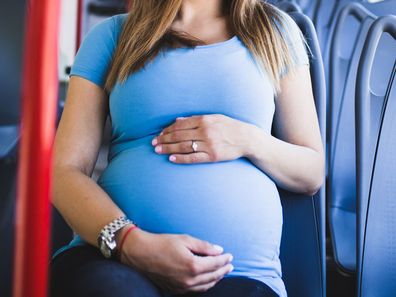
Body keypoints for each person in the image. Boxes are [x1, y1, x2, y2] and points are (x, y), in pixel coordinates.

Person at [50, 0, 324, 296]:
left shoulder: (275, 32)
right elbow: (64, 172)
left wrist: (247, 139)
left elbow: (311, 171)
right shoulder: (112, 36)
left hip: (239, 275)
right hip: (115, 261)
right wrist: (129, 243)